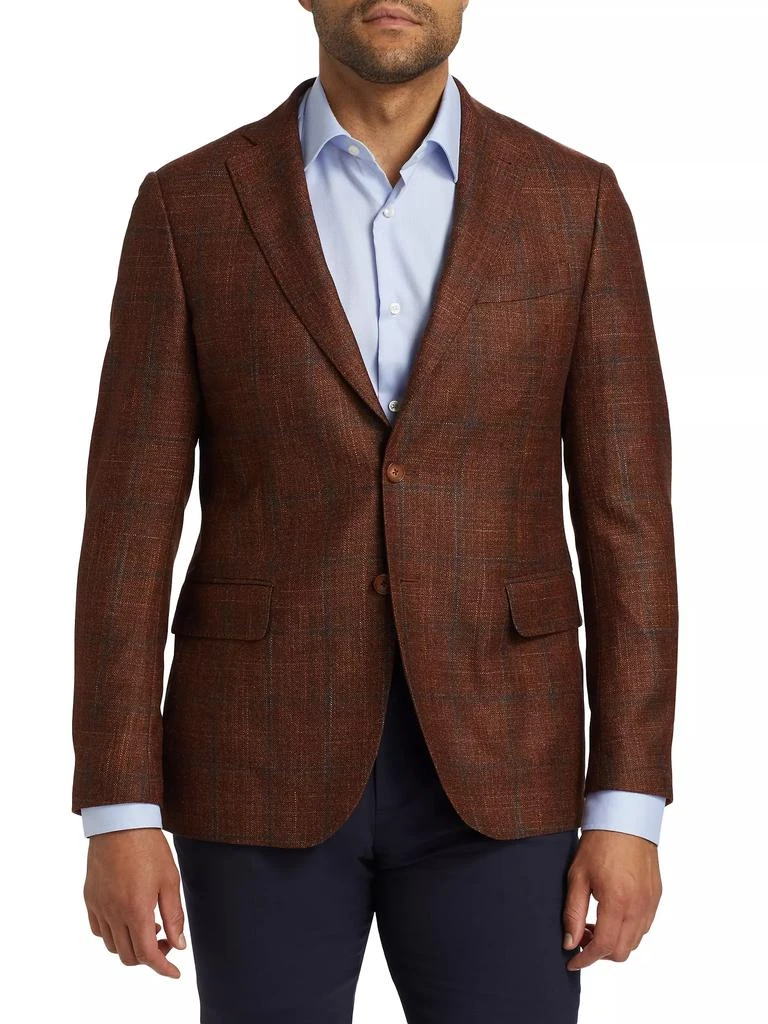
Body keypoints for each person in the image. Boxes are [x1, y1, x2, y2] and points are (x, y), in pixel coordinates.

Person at [72, 2, 678, 1020]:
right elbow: (129, 528)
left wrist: (630, 803)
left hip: (506, 760)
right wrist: (118, 807)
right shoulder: (190, 206)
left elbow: (631, 523)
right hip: (255, 760)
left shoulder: (574, 202)